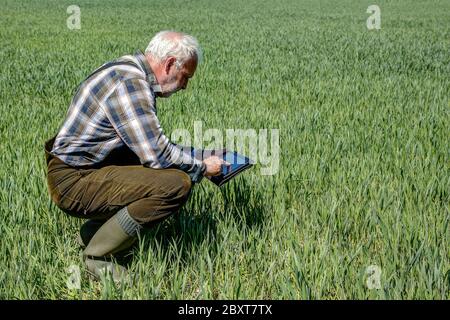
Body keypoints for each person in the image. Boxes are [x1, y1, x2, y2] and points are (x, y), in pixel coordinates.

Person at [44, 31, 227, 281]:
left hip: (85, 170)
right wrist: (203, 167)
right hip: (74, 180)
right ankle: (97, 258)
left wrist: (201, 155)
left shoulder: (128, 69)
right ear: (170, 64)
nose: (185, 86)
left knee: (159, 172)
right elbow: (158, 155)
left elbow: (149, 145)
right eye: (185, 77)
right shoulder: (130, 83)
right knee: (175, 184)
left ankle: (91, 236)